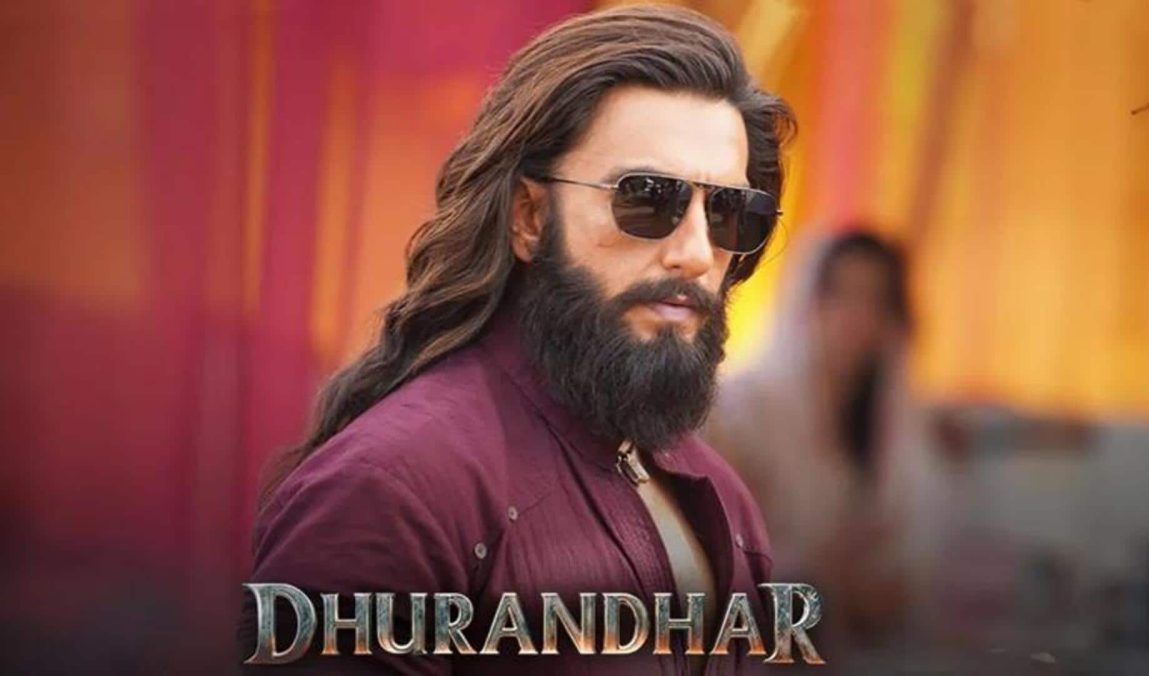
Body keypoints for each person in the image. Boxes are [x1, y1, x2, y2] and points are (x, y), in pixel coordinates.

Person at [237, 6, 795, 674]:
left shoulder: (719, 496)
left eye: (729, 212)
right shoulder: (389, 493)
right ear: (529, 217)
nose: (697, 253)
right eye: (648, 199)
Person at [705, 229, 948, 654]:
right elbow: (726, 554)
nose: (858, 316)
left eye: (876, 300)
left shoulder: (889, 424)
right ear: (808, 299)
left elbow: (905, 555)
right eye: (842, 294)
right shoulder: (743, 411)